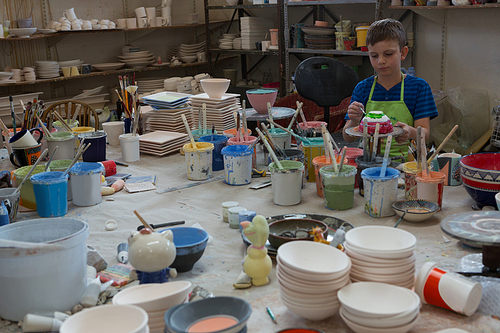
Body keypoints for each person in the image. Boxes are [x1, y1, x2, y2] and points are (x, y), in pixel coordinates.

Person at [342, 18, 438, 160]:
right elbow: (347, 138)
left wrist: (409, 132)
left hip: (405, 163)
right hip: (369, 162)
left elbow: (424, 133)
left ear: (403, 53)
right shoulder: (363, 88)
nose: (381, 61)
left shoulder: (419, 88)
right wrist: (353, 121)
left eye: (388, 54)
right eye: (374, 55)